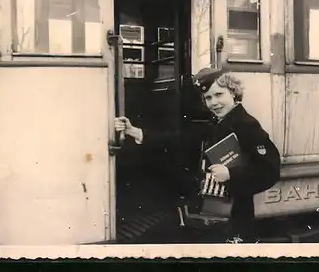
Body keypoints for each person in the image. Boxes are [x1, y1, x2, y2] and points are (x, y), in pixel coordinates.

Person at [114, 68, 281, 243]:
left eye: (218, 95)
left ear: (234, 93)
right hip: (213, 214)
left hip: (234, 219)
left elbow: (269, 170)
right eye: (208, 98)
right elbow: (178, 140)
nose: (213, 102)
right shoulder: (216, 123)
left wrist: (231, 174)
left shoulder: (247, 125)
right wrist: (136, 132)